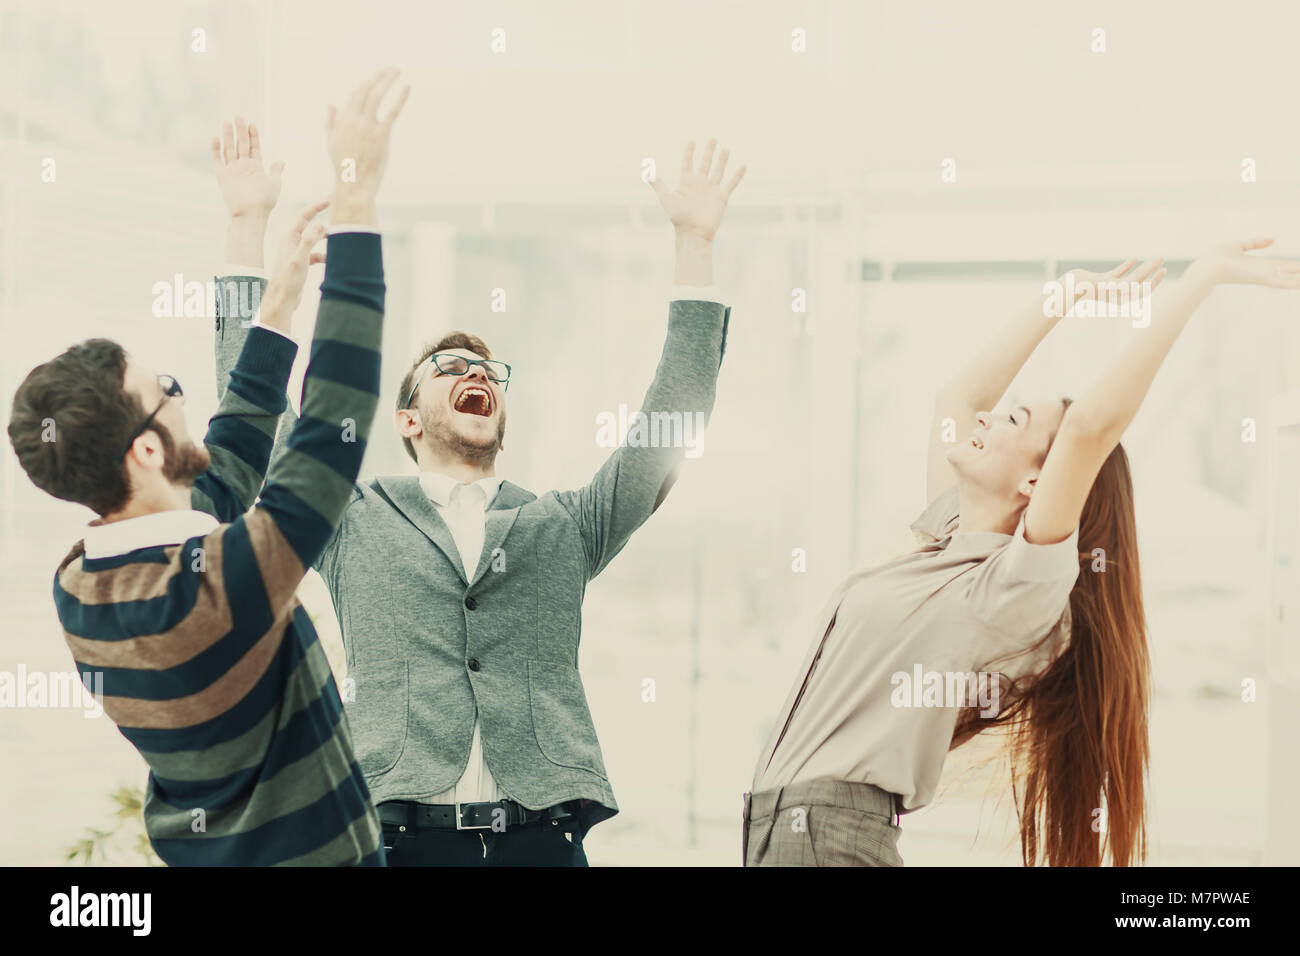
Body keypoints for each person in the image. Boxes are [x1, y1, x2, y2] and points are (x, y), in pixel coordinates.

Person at [211, 136, 745, 865]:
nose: (478, 374)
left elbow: (670, 421)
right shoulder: (351, 521)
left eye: (491, 370)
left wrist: (695, 245)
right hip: (395, 838)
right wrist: (246, 231)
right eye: (452, 367)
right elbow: (250, 422)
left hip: (540, 839)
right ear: (407, 418)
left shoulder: (564, 525)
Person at [745, 243, 1300, 866]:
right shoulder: (947, 545)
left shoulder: (1014, 589)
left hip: (825, 839)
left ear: (1038, 482)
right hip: (789, 835)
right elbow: (956, 395)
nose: (987, 417)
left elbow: (1091, 427)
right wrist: (1064, 294)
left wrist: (1205, 280)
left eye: (1013, 418)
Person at [6, 68, 408, 865]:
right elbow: (331, 429)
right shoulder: (220, 584)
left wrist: (267, 280)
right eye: (171, 391)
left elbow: (224, 467)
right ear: (146, 450)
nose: (186, 397)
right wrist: (357, 199)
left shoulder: (81, 587)